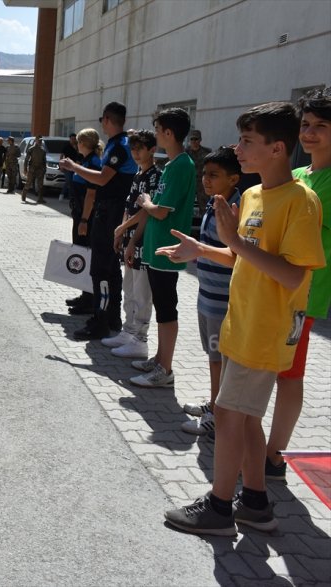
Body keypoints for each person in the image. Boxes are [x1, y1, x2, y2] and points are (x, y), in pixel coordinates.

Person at [160, 102, 324, 536]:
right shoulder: (252, 195)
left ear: (277, 149)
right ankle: (254, 502)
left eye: (248, 141)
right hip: (240, 323)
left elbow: (292, 274)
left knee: (229, 414)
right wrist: (203, 250)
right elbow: (241, 257)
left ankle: (219, 508)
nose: (238, 148)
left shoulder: (300, 202)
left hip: (266, 330)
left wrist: (232, 239)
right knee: (246, 417)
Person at [264, 88, 331, 481]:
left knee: (289, 375)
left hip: (304, 296)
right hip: (272, 289)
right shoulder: (301, 175)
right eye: (306, 125)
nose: (309, 134)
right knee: (271, 370)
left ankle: (275, 456)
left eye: (321, 127)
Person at [128, 108, 195, 387]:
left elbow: (161, 211)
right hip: (158, 248)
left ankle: (164, 370)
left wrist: (145, 202)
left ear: (168, 133)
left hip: (168, 250)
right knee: (161, 306)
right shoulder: (171, 165)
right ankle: (159, 359)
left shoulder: (182, 166)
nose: (156, 134)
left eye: (157, 130)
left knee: (167, 310)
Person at [59, 102, 137, 339]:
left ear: (106, 120)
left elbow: (102, 180)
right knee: (110, 268)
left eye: (102, 120)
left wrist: (73, 167)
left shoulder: (119, 146)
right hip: (110, 211)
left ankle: (101, 320)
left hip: (111, 211)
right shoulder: (118, 144)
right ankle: (111, 317)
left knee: (101, 269)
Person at [179, 147, 241, 437]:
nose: (206, 179)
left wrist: (201, 250)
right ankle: (215, 403)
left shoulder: (235, 208)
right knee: (213, 357)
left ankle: (219, 416)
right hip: (207, 296)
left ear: (234, 178)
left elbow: (234, 253)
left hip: (222, 301)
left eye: (214, 175)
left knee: (220, 360)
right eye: (204, 174)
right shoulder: (214, 202)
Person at [104, 129, 161, 357]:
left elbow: (146, 212)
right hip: (129, 238)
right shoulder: (138, 174)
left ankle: (140, 339)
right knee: (129, 289)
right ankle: (128, 331)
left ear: (152, 150)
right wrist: (121, 231)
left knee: (142, 293)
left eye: (140, 149)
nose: (136, 153)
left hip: (142, 241)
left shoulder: (155, 176)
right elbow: (130, 208)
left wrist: (128, 233)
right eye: (133, 149)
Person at [65, 128, 103, 315]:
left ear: (83, 143)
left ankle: (89, 299)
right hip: (79, 213)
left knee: (87, 255)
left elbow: (91, 194)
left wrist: (85, 220)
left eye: (78, 141)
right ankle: (85, 295)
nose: (76, 144)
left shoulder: (94, 162)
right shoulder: (87, 161)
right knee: (82, 252)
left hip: (86, 216)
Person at [187, 130, 212, 216]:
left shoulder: (207, 152)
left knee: (205, 206)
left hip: (202, 183)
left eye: (196, 139)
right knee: (186, 206)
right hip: (189, 183)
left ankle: (205, 225)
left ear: (200, 139)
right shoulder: (184, 153)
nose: (194, 141)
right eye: (192, 139)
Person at [24, 136, 47, 203]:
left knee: (40, 184)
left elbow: (44, 161)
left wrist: (44, 169)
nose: (40, 141)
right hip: (32, 168)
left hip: (40, 169)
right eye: (38, 140)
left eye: (41, 140)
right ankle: (24, 196)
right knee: (28, 182)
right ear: (35, 140)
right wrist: (25, 169)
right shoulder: (31, 149)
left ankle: (40, 198)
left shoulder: (43, 150)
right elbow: (26, 159)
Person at [61, 133, 82, 199]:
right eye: (72, 139)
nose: (73, 140)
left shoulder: (78, 146)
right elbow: (62, 155)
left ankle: (63, 194)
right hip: (67, 166)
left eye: (74, 139)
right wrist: (61, 165)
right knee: (69, 180)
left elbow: (80, 155)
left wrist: (76, 149)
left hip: (76, 166)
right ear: (70, 139)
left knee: (72, 181)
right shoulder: (66, 146)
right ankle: (70, 196)